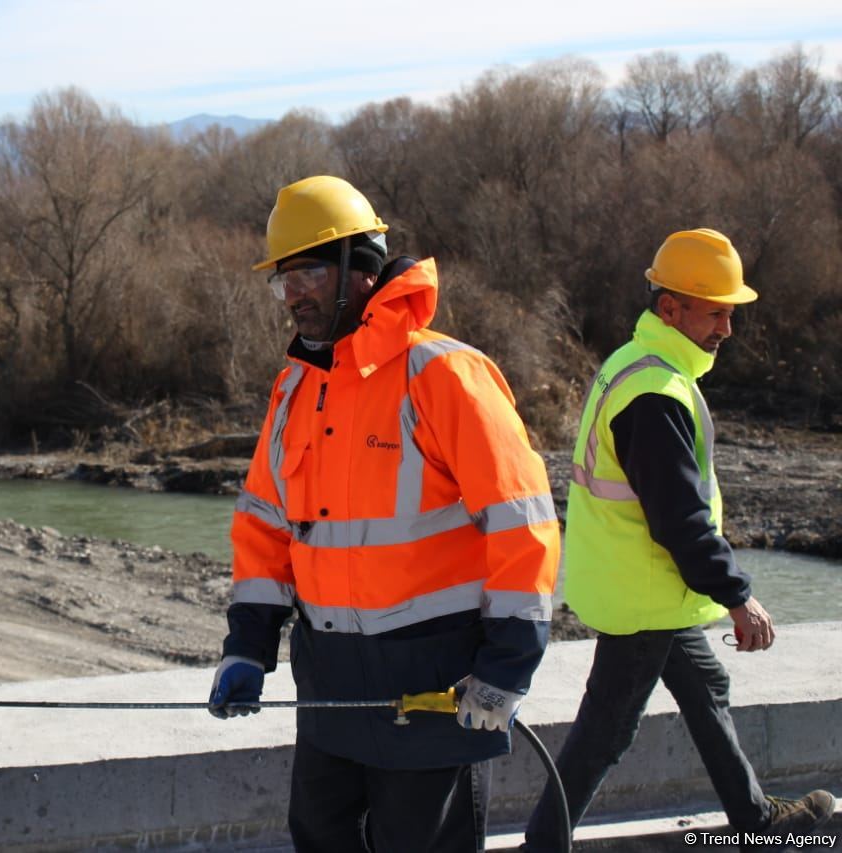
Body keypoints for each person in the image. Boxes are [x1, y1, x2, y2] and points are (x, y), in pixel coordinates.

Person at [206, 175, 561, 852]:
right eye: (283, 281)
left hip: (432, 687)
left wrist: (507, 667)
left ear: (358, 268)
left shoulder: (445, 374)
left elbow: (523, 524)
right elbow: (264, 524)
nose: (294, 295)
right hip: (329, 688)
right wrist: (247, 644)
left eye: (308, 272)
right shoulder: (296, 386)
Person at [521, 228, 836, 852]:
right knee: (605, 733)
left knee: (705, 689)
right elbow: (680, 521)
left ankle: (755, 820)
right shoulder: (655, 394)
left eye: (730, 312)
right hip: (645, 594)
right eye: (716, 312)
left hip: (650, 589)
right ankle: (541, 847)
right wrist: (738, 596)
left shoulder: (638, 363)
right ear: (672, 308)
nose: (727, 328)